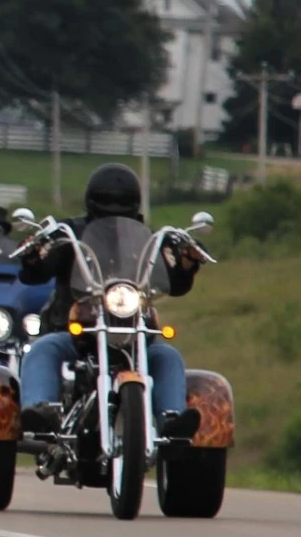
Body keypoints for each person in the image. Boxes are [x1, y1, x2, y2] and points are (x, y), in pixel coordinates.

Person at [17, 163, 203, 438]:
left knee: (167, 356)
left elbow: (173, 283)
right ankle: (40, 408)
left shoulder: (147, 240)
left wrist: (186, 263)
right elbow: (37, 272)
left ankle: (170, 420)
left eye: (120, 199)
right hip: (77, 331)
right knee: (43, 348)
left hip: (132, 332)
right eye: (108, 198)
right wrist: (34, 255)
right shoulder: (70, 233)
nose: (114, 204)